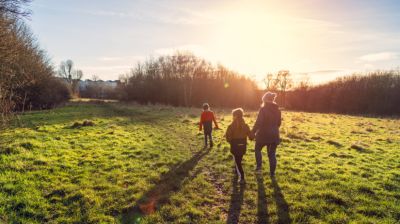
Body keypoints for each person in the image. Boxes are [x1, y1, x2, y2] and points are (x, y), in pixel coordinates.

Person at [251, 92, 281, 177]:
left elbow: (258, 123)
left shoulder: (263, 109)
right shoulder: (278, 110)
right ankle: (272, 174)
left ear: (265, 100)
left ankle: (259, 168)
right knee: (272, 154)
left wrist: (252, 132)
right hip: (274, 135)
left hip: (263, 135)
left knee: (257, 149)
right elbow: (279, 123)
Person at [226, 108, 253, 184]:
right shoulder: (246, 125)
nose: (232, 117)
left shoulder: (231, 126)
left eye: (233, 115)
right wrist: (252, 136)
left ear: (235, 116)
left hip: (235, 144)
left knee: (237, 161)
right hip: (243, 145)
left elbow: (228, 137)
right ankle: (237, 171)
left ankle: (242, 177)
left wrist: (230, 141)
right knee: (239, 159)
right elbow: (250, 136)